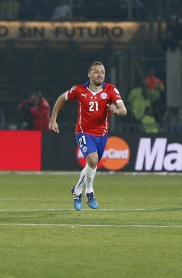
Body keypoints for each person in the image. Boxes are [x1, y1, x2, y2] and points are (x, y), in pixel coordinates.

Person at [49, 61, 126, 211]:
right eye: (96, 72)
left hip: (102, 134)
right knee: (93, 160)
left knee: (92, 165)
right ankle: (89, 193)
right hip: (83, 132)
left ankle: (77, 190)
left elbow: (123, 110)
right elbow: (61, 99)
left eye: (102, 72)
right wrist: (53, 119)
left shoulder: (111, 90)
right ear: (89, 74)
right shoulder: (79, 90)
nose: (100, 75)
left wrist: (116, 110)